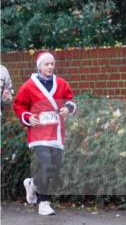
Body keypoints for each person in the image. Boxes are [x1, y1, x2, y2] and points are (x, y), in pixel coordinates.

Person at [12, 52, 77, 216]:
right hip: (39, 134)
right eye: (46, 64)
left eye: (52, 64)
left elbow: (70, 100)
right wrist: (27, 117)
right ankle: (44, 202)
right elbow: (19, 106)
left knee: (54, 169)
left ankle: (33, 183)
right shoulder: (29, 86)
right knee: (46, 166)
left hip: (56, 133)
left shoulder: (61, 83)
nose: (50, 67)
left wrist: (67, 108)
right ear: (39, 66)